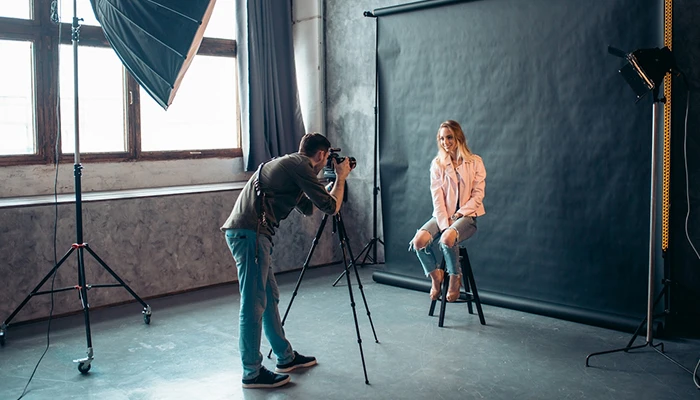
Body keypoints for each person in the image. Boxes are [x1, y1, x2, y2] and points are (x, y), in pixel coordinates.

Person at [221, 133, 352, 389]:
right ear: (321, 155)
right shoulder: (300, 165)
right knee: (253, 303)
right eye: (327, 157)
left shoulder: (291, 165)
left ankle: (285, 357)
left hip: (251, 234)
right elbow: (330, 207)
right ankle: (251, 372)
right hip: (250, 235)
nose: (327, 162)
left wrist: (328, 186)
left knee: (269, 298)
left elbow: (309, 207)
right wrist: (341, 178)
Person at [409, 120, 486, 303]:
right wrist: (445, 224)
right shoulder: (438, 164)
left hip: (467, 216)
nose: (445, 142)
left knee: (447, 239)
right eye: (442, 138)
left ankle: (455, 277)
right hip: (443, 215)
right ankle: (436, 276)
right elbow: (438, 200)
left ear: (459, 137)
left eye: (449, 137)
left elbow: (478, 196)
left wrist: (458, 215)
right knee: (419, 241)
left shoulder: (475, 162)